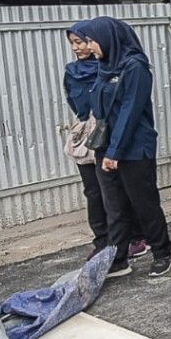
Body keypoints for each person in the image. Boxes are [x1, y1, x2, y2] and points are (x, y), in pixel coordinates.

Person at [68, 17, 171, 278]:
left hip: (134, 147)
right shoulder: (105, 68)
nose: (89, 47)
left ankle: (162, 253)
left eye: (92, 40)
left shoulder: (136, 67)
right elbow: (96, 109)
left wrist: (115, 152)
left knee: (143, 203)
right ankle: (117, 259)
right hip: (105, 145)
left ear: (108, 38)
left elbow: (130, 111)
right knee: (113, 205)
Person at [62, 35, 111, 259]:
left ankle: (126, 237)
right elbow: (73, 102)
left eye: (80, 42)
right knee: (92, 190)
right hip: (85, 135)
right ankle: (101, 239)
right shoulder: (71, 73)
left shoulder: (107, 69)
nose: (76, 47)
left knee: (113, 189)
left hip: (107, 133)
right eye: (72, 42)